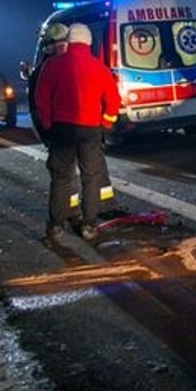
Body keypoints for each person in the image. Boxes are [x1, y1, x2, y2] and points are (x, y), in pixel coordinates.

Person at [34, 23, 120, 242]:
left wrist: (48, 124)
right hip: (90, 129)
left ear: (69, 40)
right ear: (89, 42)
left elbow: (41, 98)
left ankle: (55, 226)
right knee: (91, 178)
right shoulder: (99, 67)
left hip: (61, 129)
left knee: (61, 179)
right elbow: (113, 100)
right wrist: (105, 123)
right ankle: (89, 225)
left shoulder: (52, 66)